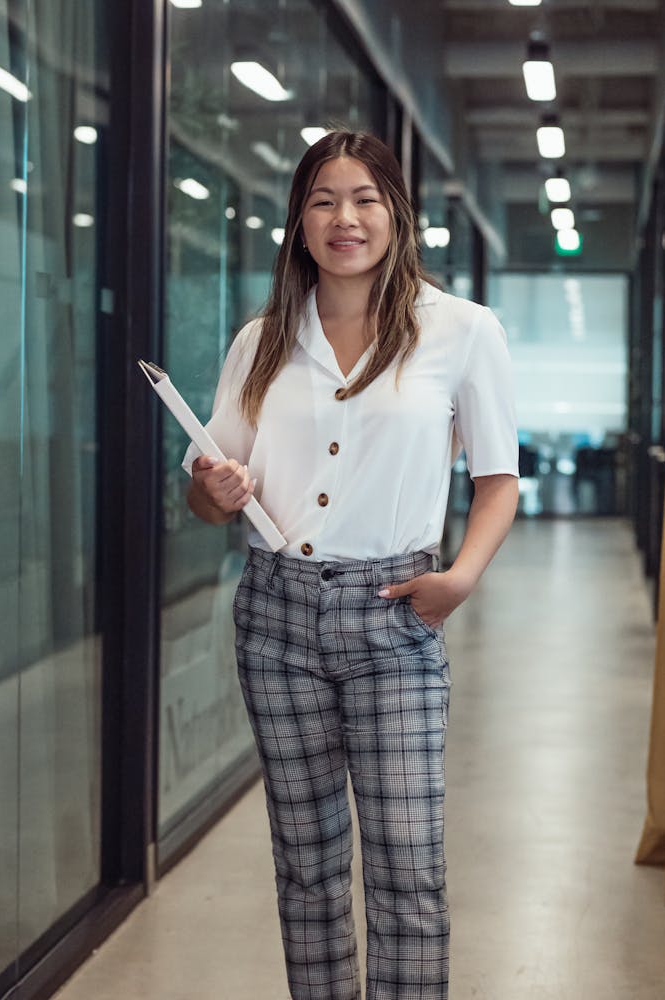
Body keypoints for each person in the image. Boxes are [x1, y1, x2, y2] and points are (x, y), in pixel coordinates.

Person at [183, 131, 519, 1000]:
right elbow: (206, 491)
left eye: (365, 198)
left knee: (409, 867)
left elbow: (497, 480)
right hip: (276, 621)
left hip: (396, 613)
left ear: (397, 216)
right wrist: (217, 490)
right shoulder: (262, 341)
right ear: (298, 223)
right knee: (307, 866)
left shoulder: (462, 332)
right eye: (324, 200)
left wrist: (461, 580)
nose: (345, 218)